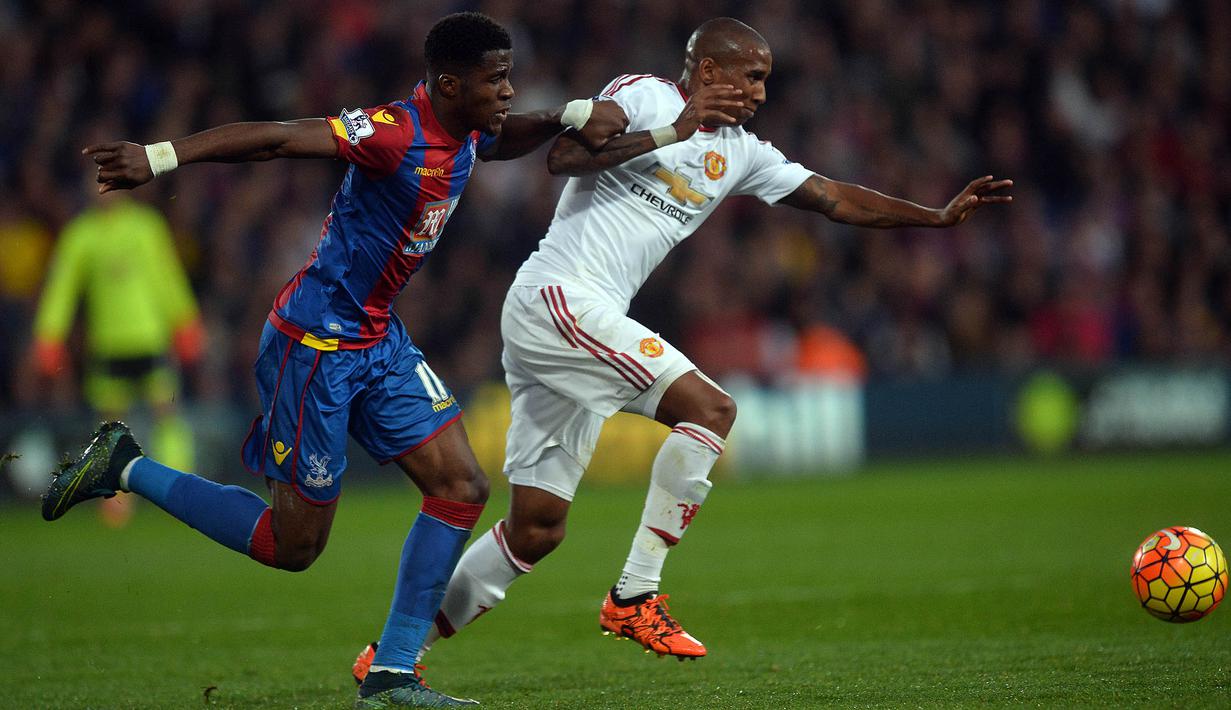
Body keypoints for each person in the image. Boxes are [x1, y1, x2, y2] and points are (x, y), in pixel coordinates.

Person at [352, 16, 1012, 679]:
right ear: (708, 71)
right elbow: (564, 157)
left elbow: (832, 198)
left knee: (535, 530)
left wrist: (933, 216)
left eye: (765, 80)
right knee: (712, 410)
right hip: (558, 297)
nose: (758, 91)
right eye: (750, 76)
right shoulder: (643, 95)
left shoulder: (745, 153)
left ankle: (390, 657)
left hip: (579, 317)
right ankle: (635, 594)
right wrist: (677, 127)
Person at [39, 12, 641, 709]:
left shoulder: (469, 123)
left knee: (461, 487)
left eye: (508, 76)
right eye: (495, 79)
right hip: (314, 345)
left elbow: (501, 138)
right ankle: (123, 465)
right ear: (449, 84)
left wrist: (567, 115)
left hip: (377, 338)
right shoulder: (389, 133)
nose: (507, 90)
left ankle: (391, 674)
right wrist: (161, 156)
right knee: (292, 546)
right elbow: (275, 141)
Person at [32, 193, 202, 527]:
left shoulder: (146, 226)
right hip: (108, 342)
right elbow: (62, 286)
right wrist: (49, 335)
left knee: (165, 410)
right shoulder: (81, 234)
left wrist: (185, 320)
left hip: (149, 335)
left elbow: (165, 275)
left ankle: (182, 486)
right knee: (111, 423)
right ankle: (117, 499)